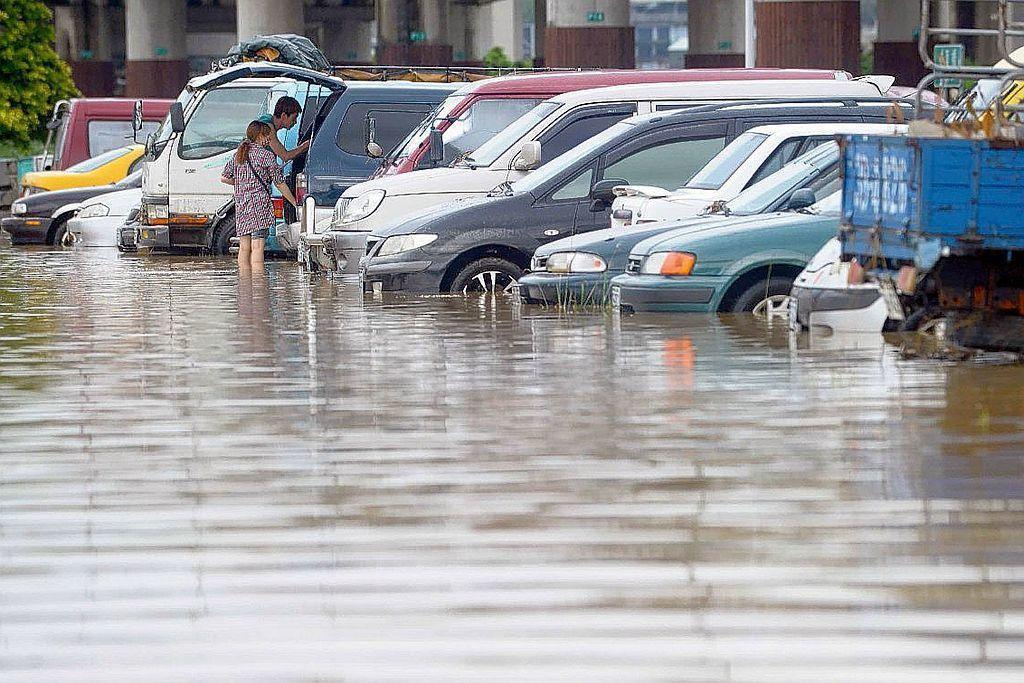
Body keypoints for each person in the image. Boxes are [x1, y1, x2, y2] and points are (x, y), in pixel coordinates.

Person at [221, 120, 298, 268]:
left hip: (242, 204)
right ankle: (258, 281)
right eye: (267, 135)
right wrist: (294, 202)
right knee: (257, 247)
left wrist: (242, 183)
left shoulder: (238, 155)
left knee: (244, 247)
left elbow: (224, 177)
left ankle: (244, 280)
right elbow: (279, 183)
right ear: (259, 136)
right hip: (259, 205)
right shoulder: (266, 156)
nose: (269, 139)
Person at [257, 96, 309, 162]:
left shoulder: (267, 119)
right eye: (294, 118)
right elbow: (285, 156)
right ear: (284, 116)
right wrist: (306, 145)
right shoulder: (267, 128)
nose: (295, 122)